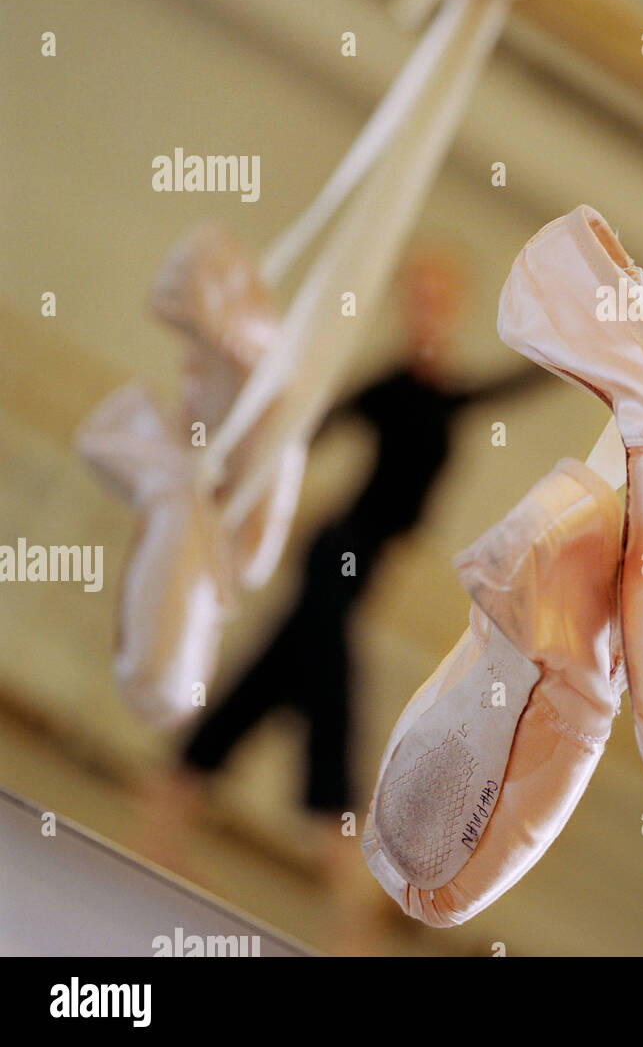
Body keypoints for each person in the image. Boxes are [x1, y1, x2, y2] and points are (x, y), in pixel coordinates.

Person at [138, 249, 543, 946]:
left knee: (266, 686)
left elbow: (516, 385)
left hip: (357, 569)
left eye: (441, 298)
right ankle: (350, 905)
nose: (429, 310)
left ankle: (159, 825)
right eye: (419, 297)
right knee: (335, 707)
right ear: (404, 306)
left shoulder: (446, 394)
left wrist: (605, 353)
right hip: (338, 560)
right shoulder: (389, 387)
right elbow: (307, 433)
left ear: (458, 309)